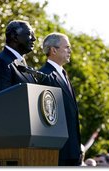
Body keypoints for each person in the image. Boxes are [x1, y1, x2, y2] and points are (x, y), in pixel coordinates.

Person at [39, 32, 81, 166]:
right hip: (59, 152)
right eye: (66, 47)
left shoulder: (63, 73)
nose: (70, 50)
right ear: (53, 50)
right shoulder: (44, 75)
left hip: (73, 149)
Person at [0, 20, 37, 94]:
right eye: (29, 34)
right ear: (14, 36)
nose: (34, 38)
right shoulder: (1, 63)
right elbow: (0, 100)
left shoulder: (25, 66)